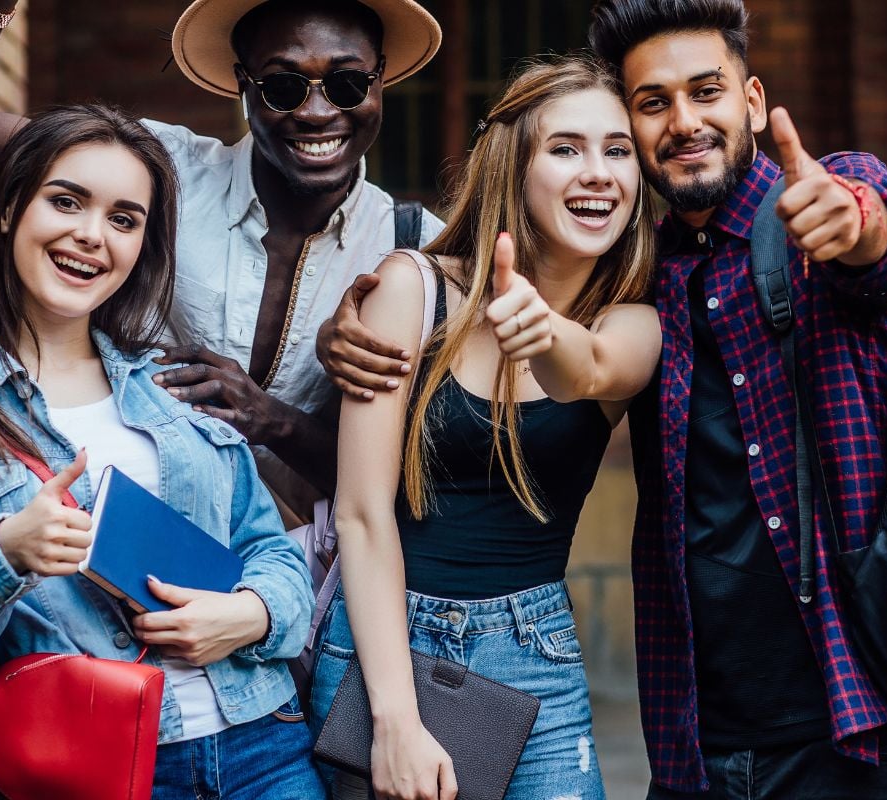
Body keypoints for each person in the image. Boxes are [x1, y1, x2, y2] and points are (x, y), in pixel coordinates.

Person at [582, 1, 887, 798]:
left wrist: (858, 225)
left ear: (751, 101)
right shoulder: (639, 272)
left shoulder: (819, 208)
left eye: (705, 91)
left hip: (859, 735)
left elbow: (879, 247)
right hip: (696, 747)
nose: (684, 121)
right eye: (653, 103)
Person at [309, 54, 661, 800]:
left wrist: (542, 329)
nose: (599, 171)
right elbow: (363, 515)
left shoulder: (631, 320)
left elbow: (593, 369)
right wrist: (396, 720)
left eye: (618, 150)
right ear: (515, 165)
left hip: (535, 651)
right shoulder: (413, 290)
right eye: (566, 148)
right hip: (379, 642)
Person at [0, 0, 445, 524]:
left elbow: (418, 493)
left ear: (380, 80)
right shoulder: (157, 171)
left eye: (348, 83)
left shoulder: (418, 252)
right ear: (244, 85)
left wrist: (275, 421)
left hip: (291, 582)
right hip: (99, 541)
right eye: (283, 87)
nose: (317, 112)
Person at [0, 104, 322, 798]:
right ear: (8, 208)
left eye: (124, 219)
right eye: (66, 201)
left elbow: (272, 552)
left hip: (263, 747)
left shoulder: (171, 384)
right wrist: (4, 551)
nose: (92, 236)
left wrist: (252, 614)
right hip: (91, 764)